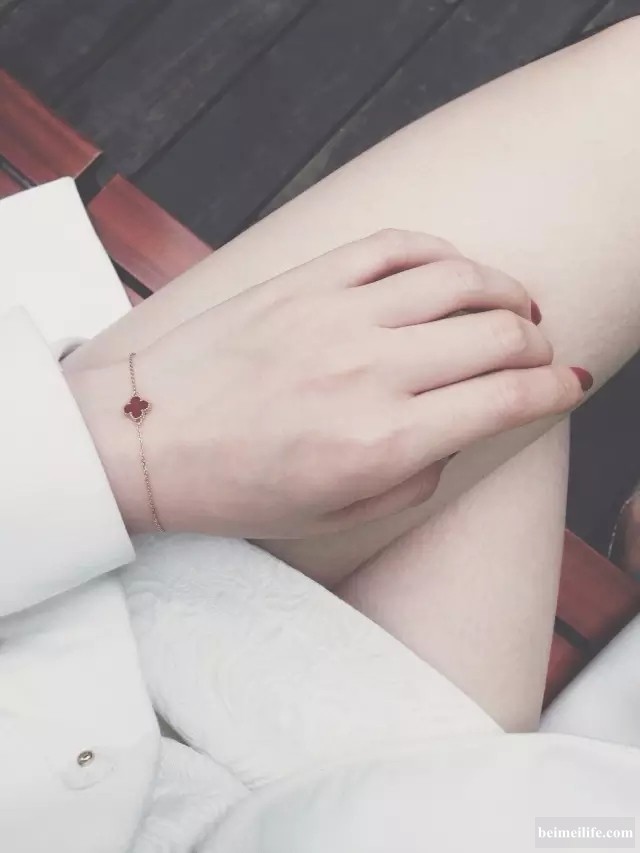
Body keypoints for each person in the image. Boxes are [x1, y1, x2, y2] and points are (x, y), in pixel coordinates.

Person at [4, 17, 640, 853]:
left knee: (460, 312)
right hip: (407, 788)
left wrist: (97, 450)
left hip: (71, 619)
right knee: (473, 313)